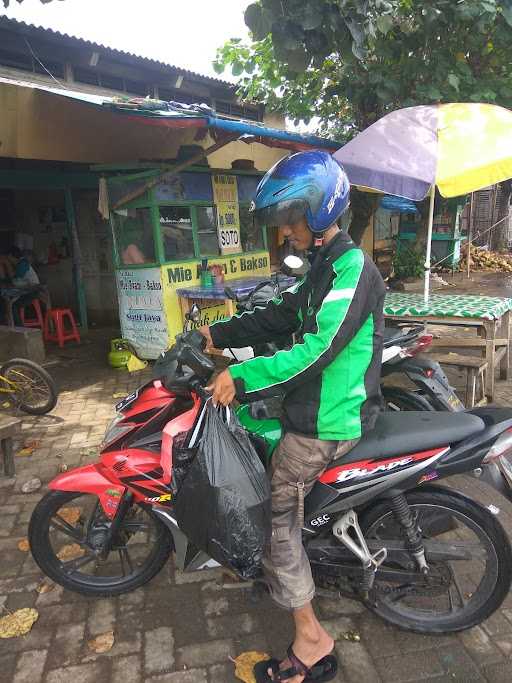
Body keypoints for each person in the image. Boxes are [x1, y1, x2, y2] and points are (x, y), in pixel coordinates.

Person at [200, 150, 386, 683]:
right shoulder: (326, 267)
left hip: (327, 422)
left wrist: (243, 377)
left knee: (275, 523)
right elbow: (285, 314)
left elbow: (317, 349)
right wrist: (221, 335)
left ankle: (311, 640)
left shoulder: (353, 268)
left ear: (322, 213)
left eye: (291, 220)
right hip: (310, 411)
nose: (286, 233)